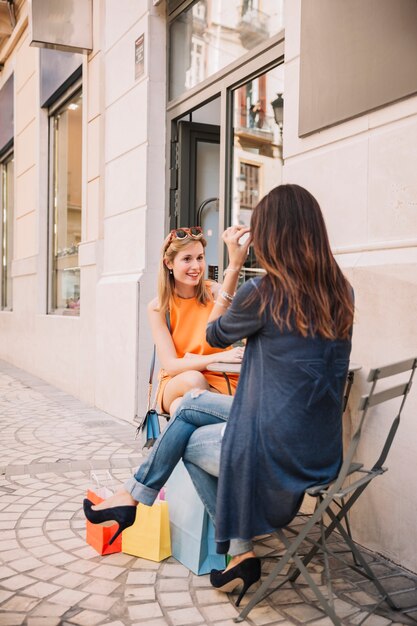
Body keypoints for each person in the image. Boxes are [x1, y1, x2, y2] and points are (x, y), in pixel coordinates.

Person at [84, 184, 354, 605]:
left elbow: (214, 334)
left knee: (187, 441)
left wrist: (235, 265)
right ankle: (135, 497)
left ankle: (233, 547)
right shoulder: (341, 290)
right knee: (190, 404)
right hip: (321, 449)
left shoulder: (263, 293)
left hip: (272, 452)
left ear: (271, 236)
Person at [148, 226, 242, 415]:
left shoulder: (215, 293)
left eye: (200, 257)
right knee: (194, 380)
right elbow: (171, 365)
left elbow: (245, 321)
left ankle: (166, 445)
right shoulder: (159, 307)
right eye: (187, 259)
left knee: (182, 409)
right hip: (178, 382)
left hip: (221, 380)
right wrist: (216, 357)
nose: (196, 267)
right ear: (169, 263)